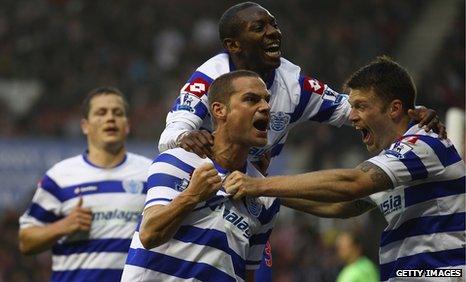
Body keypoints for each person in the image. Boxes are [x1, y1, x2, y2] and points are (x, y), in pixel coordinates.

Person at [158, 3, 443, 279]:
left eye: (274, 24)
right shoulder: (210, 78)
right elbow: (172, 133)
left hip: (249, 202)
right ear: (234, 45)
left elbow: (352, 108)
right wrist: (186, 137)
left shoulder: (294, 85)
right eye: (260, 27)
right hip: (199, 196)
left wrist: (410, 112)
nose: (273, 32)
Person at [224, 57, 465, 281]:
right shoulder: (396, 162)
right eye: (351, 106)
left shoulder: (422, 144)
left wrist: (258, 184)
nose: (352, 116)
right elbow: (340, 205)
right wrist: (264, 189)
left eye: (360, 105)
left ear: (394, 109)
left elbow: (352, 183)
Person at [121, 70, 280, 282]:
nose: (265, 107)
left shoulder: (265, 196)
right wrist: (192, 195)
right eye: (251, 99)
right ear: (219, 110)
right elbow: (149, 235)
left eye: (266, 100)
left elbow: (247, 273)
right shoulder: (176, 161)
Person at [18, 87, 152, 281]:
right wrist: (63, 226)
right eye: (101, 112)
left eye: (117, 113)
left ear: (127, 124)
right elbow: (25, 241)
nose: (110, 118)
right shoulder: (60, 177)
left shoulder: (149, 174)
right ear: (85, 125)